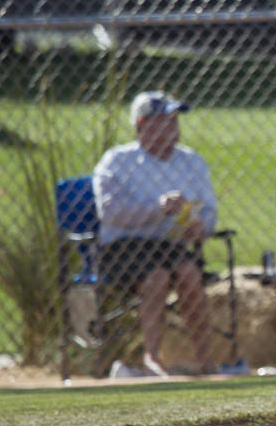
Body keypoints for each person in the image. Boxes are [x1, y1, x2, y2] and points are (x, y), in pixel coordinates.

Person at [93, 90, 219, 376]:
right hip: (123, 248)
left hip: (169, 245)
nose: (171, 126)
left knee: (189, 273)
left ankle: (204, 358)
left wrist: (201, 227)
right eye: (162, 120)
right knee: (158, 276)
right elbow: (110, 212)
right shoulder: (117, 161)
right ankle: (153, 360)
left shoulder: (191, 161)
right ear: (141, 124)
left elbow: (209, 210)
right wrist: (157, 208)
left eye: (174, 120)